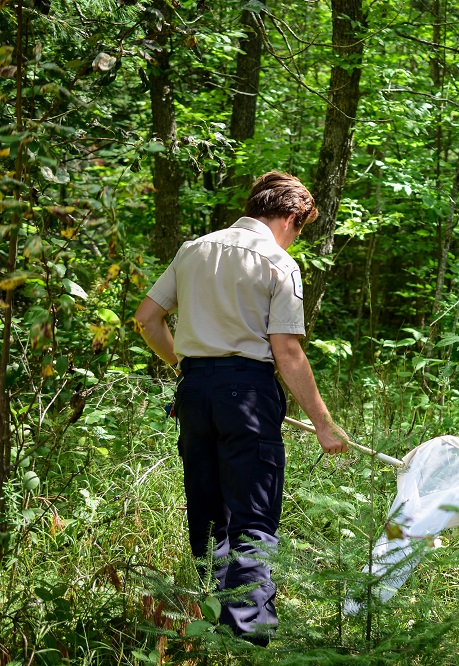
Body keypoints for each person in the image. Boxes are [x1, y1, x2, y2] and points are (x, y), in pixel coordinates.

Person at [134, 171, 349, 645]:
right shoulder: (276, 261)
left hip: (194, 393)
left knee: (208, 512)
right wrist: (324, 425)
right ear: (291, 217)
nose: (295, 239)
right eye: (299, 229)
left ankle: (213, 625)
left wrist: (186, 367)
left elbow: (147, 319)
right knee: (253, 515)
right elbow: (287, 351)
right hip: (248, 395)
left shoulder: (193, 250)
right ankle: (248, 636)